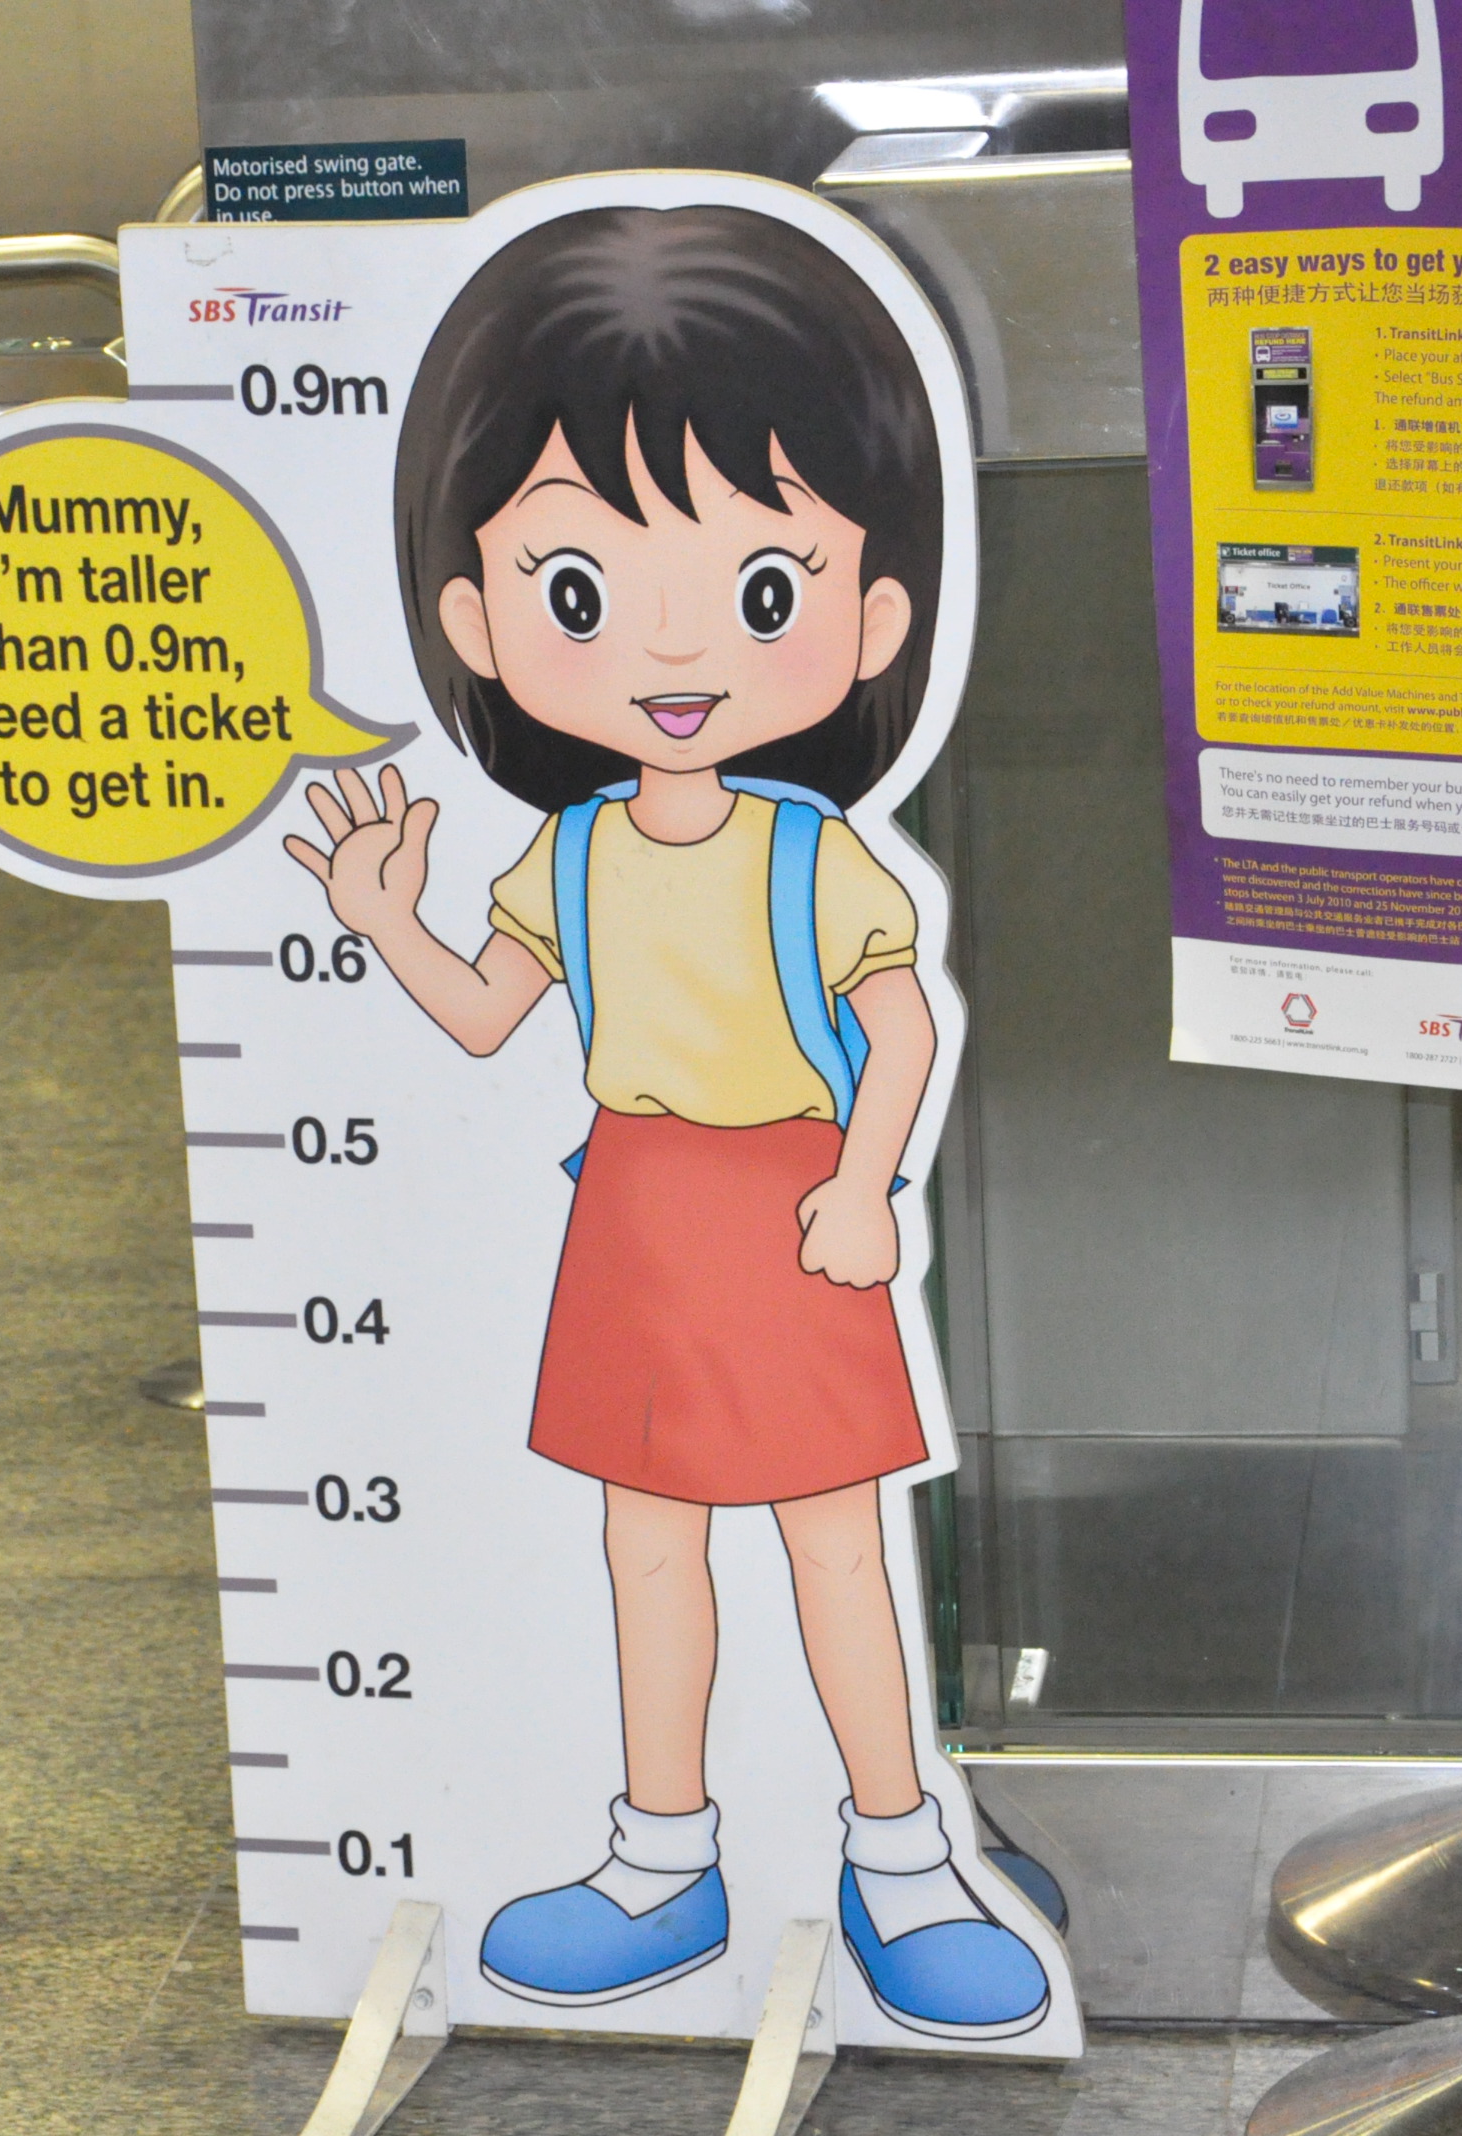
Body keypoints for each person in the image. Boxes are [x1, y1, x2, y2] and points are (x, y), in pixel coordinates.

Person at [283, 202, 1049, 2040]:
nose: (675, 646)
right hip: (631, 1213)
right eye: (581, 591)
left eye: (764, 589)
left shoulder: (813, 855)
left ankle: (901, 1857)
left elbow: (899, 1024)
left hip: (789, 1210)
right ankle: (660, 1857)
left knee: (834, 1543)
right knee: (645, 1543)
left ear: (872, 613)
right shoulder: (567, 853)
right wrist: (389, 921)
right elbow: (489, 1014)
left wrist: (864, 1184)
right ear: (476, 616)